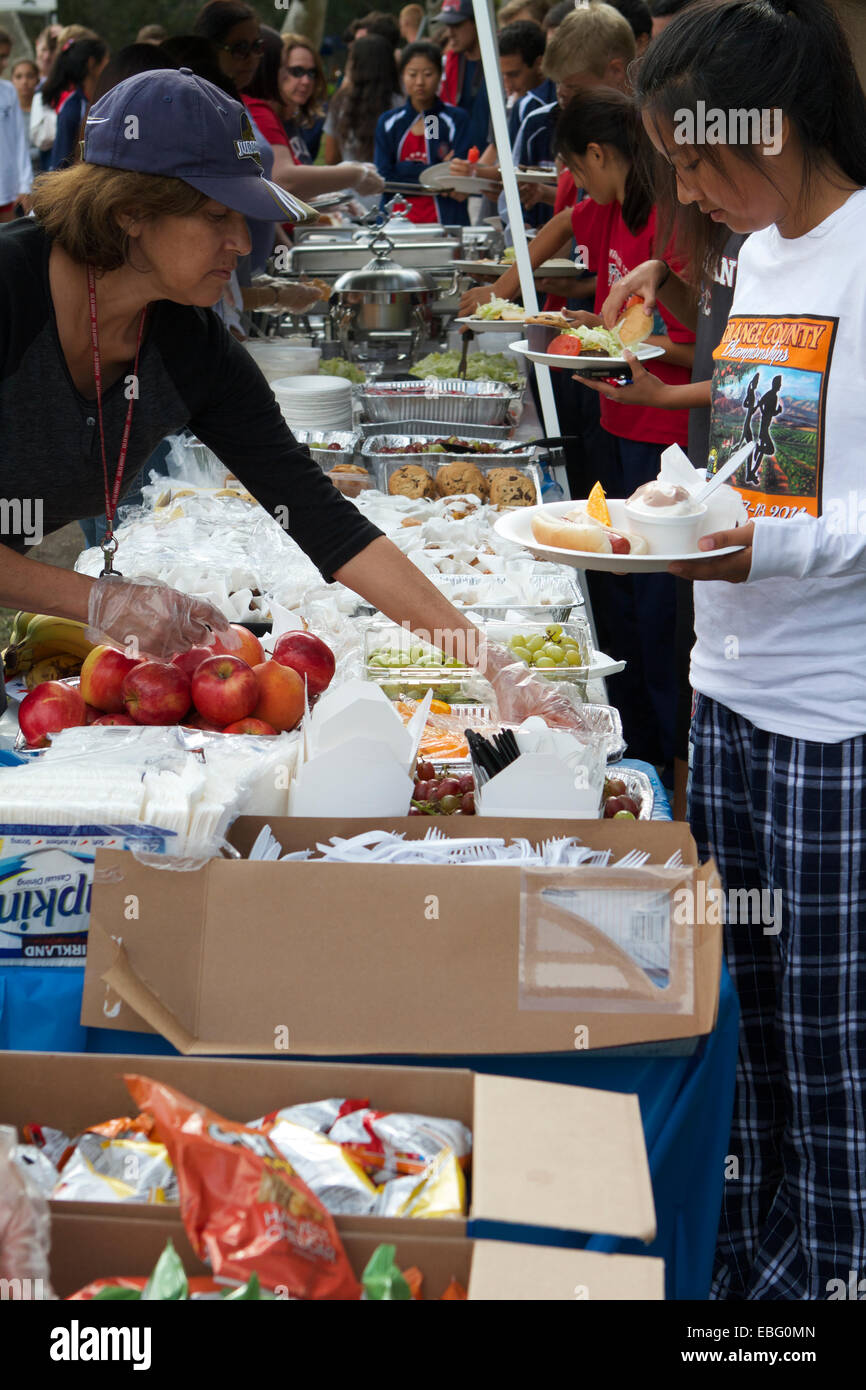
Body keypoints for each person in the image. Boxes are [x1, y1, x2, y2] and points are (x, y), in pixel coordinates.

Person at [0, 69, 578, 732]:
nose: (243, 244)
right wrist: (94, 599)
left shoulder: (190, 346)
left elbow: (325, 520)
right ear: (130, 208)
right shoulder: (11, 291)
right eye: (217, 216)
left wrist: (494, 663)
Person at [632, 0, 866, 1301]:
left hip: (834, 718)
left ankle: (835, 1270)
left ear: (769, 126)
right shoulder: (762, 255)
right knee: (749, 1023)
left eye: (696, 152)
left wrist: (744, 549)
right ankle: (762, 1263)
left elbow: (832, 518)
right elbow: (764, 466)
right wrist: (681, 501)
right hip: (725, 692)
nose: (685, 186)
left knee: (830, 1047)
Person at [375, 41, 470, 226]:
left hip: (444, 220)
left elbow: (456, 177)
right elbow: (383, 177)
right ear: (402, 76)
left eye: (428, 74)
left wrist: (403, 168)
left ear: (440, 75)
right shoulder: (391, 122)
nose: (420, 82)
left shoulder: (451, 120)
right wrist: (434, 174)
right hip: (395, 223)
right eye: (412, 74)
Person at [323, 35, 401, 204]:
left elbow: (330, 158)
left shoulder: (340, 102)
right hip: (392, 202)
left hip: (350, 202)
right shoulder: (400, 104)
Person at [44, 36, 109, 171]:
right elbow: (60, 165)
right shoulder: (72, 109)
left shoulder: (104, 101)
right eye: (106, 60)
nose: (110, 65)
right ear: (92, 64)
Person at [434, 0, 490, 156]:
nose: (449, 33)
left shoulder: (502, 63)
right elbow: (430, 110)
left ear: (477, 22)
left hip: (494, 165)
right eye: (447, 25)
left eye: (456, 25)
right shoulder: (445, 64)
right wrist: (435, 146)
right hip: (456, 163)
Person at [278, 32, 328, 164]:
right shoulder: (261, 122)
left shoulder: (295, 121)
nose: (306, 81)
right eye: (297, 71)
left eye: (311, 73)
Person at [0, 63, 31, 223]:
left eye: (5, 57)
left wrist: (25, 185)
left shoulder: (8, 91)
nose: (3, 63)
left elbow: (20, 141)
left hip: (5, 189)